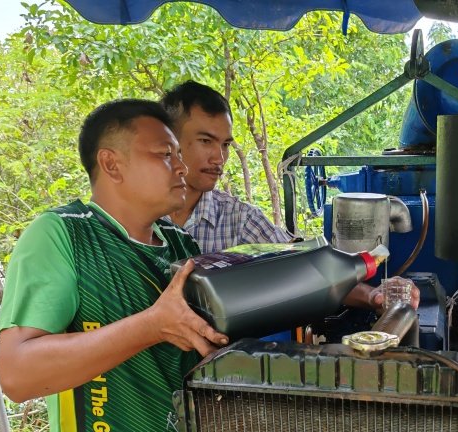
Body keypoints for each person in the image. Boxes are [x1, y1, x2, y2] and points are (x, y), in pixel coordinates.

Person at [0, 99, 225, 432]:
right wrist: (151, 325)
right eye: (164, 154)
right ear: (112, 163)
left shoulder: (179, 247)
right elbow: (16, 372)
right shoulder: (63, 236)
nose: (181, 166)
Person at [160, 80, 419, 311]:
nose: (219, 158)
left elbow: (307, 272)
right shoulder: (133, 217)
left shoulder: (239, 219)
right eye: (206, 141)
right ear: (168, 142)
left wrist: (373, 294)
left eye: (225, 144)